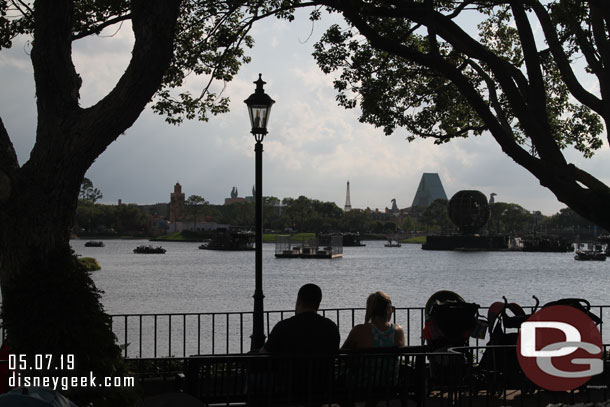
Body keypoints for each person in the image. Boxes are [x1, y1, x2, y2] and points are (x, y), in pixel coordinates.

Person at [261, 283, 340, 353]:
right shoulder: (331, 327)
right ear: (318, 304)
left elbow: (264, 353)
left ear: (298, 302)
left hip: (290, 370)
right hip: (322, 370)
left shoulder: (283, 327)